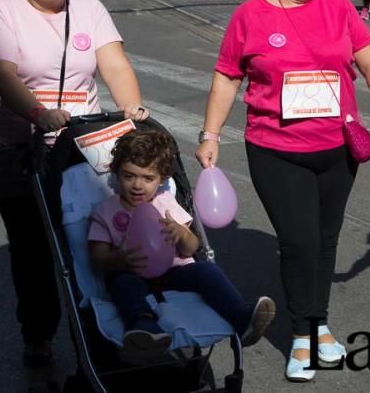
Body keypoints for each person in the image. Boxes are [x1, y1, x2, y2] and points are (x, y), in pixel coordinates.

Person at [196, 0, 370, 382]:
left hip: (336, 147)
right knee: (298, 241)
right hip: (275, 148)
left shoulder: (338, 7)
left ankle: (318, 325)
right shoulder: (251, 16)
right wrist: (211, 134)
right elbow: (226, 75)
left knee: (325, 241)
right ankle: (302, 336)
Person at [0, 0, 150, 368]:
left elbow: (114, 63)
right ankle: (38, 333)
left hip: (82, 147)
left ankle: (108, 332)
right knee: (34, 253)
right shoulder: (5, 11)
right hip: (24, 149)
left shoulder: (89, 8)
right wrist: (39, 114)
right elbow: (3, 74)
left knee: (90, 243)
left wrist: (130, 105)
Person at [88, 128, 275, 362]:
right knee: (122, 284)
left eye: (148, 178)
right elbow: (98, 258)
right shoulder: (106, 210)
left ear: (162, 179)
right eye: (129, 176)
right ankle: (145, 328)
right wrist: (118, 259)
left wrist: (181, 234)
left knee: (206, 270)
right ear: (116, 173)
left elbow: (191, 248)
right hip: (131, 272)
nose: (137, 185)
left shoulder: (165, 203)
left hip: (173, 271)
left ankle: (240, 316)